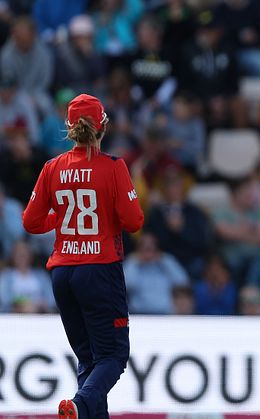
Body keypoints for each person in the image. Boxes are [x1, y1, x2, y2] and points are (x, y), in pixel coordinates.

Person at [21, 93, 144, 419]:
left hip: (62, 271)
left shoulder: (53, 167)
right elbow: (134, 222)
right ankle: (78, 405)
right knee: (113, 357)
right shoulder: (114, 167)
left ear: (69, 128)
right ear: (102, 126)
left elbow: (31, 221)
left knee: (89, 358)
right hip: (99, 270)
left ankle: (82, 409)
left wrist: (59, 220)